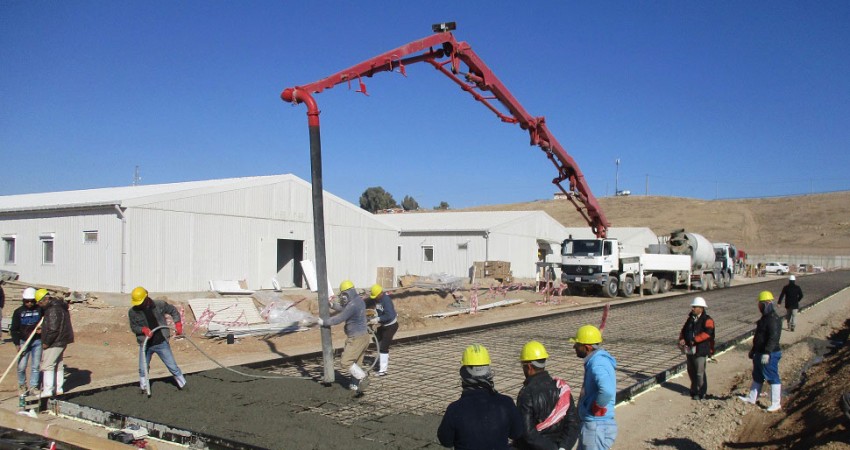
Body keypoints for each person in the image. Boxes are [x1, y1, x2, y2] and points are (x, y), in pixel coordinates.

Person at [437, 344, 524, 449]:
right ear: (489, 372)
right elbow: (517, 433)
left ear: (464, 374)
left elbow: (446, 441)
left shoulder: (455, 410)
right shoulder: (506, 403)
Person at [515, 340, 580, 450]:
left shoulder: (527, 393)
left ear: (529, 367)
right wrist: (562, 447)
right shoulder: (562, 388)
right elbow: (573, 424)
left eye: (523, 365)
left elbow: (528, 433)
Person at [128, 286, 187, 392]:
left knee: (173, 366)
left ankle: (184, 386)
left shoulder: (159, 305)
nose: (139, 305)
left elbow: (173, 310)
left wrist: (178, 324)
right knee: (143, 369)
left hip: (161, 342)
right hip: (145, 344)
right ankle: (144, 389)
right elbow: (134, 327)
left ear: (146, 297)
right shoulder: (133, 312)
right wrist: (143, 330)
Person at [317, 280, 371, 393]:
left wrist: (324, 322)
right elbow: (344, 308)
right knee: (356, 364)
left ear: (348, 293)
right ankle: (354, 388)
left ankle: (363, 377)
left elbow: (339, 318)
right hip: (364, 337)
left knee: (346, 362)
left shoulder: (353, 305)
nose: (342, 297)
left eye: (343, 294)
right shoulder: (358, 301)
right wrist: (332, 305)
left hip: (356, 339)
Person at [570, 324, 617, 450]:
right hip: (594, 424)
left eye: (577, 344)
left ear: (587, 347)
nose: (574, 347)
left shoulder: (597, 364)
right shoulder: (597, 360)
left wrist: (597, 406)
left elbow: (607, 391)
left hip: (596, 426)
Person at [738, 290, 783, 412]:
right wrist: (754, 350)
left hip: (770, 353)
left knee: (772, 376)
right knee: (757, 375)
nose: (759, 306)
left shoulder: (773, 319)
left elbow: (773, 337)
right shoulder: (764, 318)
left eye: (760, 304)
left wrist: (767, 352)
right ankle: (752, 398)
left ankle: (776, 403)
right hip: (759, 352)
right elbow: (759, 337)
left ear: (767, 303)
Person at [37, 288, 74, 398]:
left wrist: (46, 342)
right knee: (58, 364)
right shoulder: (60, 307)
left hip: (55, 341)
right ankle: (58, 389)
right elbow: (56, 325)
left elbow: (53, 329)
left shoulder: (52, 310)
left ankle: (47, 391)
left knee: (48, 365)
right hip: (62, 340)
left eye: (40, 303)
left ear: (45, 299)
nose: (39, 305)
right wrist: (43, 329)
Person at [678, 297, 715, 400]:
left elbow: (708, 333)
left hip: (700, 350)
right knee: (691, 370)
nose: (693, 308)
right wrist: (682, 339)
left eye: (695, 307)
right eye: (693, 307)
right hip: (690, 349)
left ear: (701, 308)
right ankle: (693, 390)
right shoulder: (690, 319)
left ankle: (701, 392)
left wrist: (694, 339)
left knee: (699, 372)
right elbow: (684, 330)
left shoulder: (708, 320)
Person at [10, 287, 42, 393]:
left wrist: (42, 329)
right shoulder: (18, 312)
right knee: (21, 366)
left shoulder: (40, 310)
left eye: (32, 301)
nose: (29, 303)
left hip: (37, 342)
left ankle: (34, 386)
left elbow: (46, 322)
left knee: (36, 366)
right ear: (23, 300)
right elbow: (14, 329)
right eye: (27, 301)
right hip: (23, 342)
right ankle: (22, 385)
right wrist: (17, 344)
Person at [368, 284, 398, 376]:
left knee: (383, 347)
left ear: (380, 294)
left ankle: (383, 371)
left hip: (391, 325)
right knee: (378, 340)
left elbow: (389, 315)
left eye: (375, 296)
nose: (375, 298)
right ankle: (383, 358)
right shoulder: (378, 299)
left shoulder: (386, 300)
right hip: (384, 325)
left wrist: (378, 319)